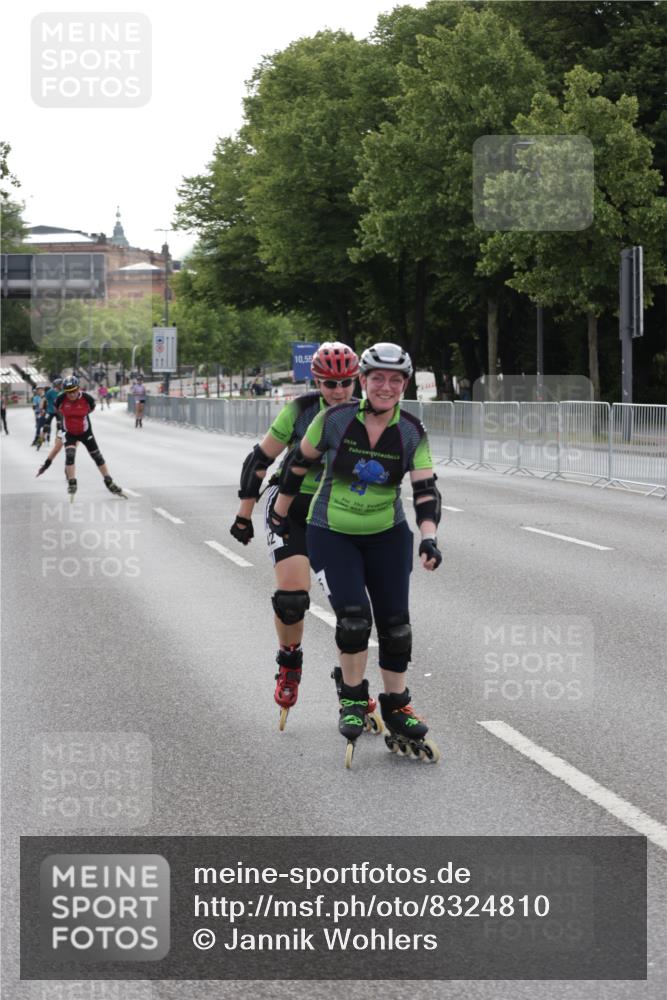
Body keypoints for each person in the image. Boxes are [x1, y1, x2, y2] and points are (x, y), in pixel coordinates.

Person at [269, 342, 443, 768]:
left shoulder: (411, 432)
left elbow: (425, 489)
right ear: (362, 382)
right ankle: (351, 698)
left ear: (404, 385)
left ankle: (398, 705)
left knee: (396, 627)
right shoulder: (335, 420)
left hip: (389, 535)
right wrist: (278, 511)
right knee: (352, 620)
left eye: (395, 380)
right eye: (377, 378)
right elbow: (296, 464)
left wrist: (428, 536)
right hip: (331, 533)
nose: (385, 387)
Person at [230, 342, 360, 730]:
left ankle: (351, 685)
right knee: (292, 599)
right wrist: (244, 515)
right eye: (329, 383)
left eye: (346, 383)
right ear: (316, 381)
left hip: (336, 513)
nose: (338, 390)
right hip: (290, 506)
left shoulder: (367, 414)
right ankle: (289, 661)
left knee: (352, 615)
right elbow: (259, 459)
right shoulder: (301, 411)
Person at [37, 375, 124, 498]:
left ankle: (108, 481)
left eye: (74, 390)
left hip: (85, 432)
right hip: (69, 432)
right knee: (70, 455)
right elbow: (57, 410)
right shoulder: (60, 399)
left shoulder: (87, 398)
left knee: (97, 457)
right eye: (68, 391)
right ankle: (72, 482)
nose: (71, 394)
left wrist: (80, 415)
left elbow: (91, 409)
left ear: (78, 389)